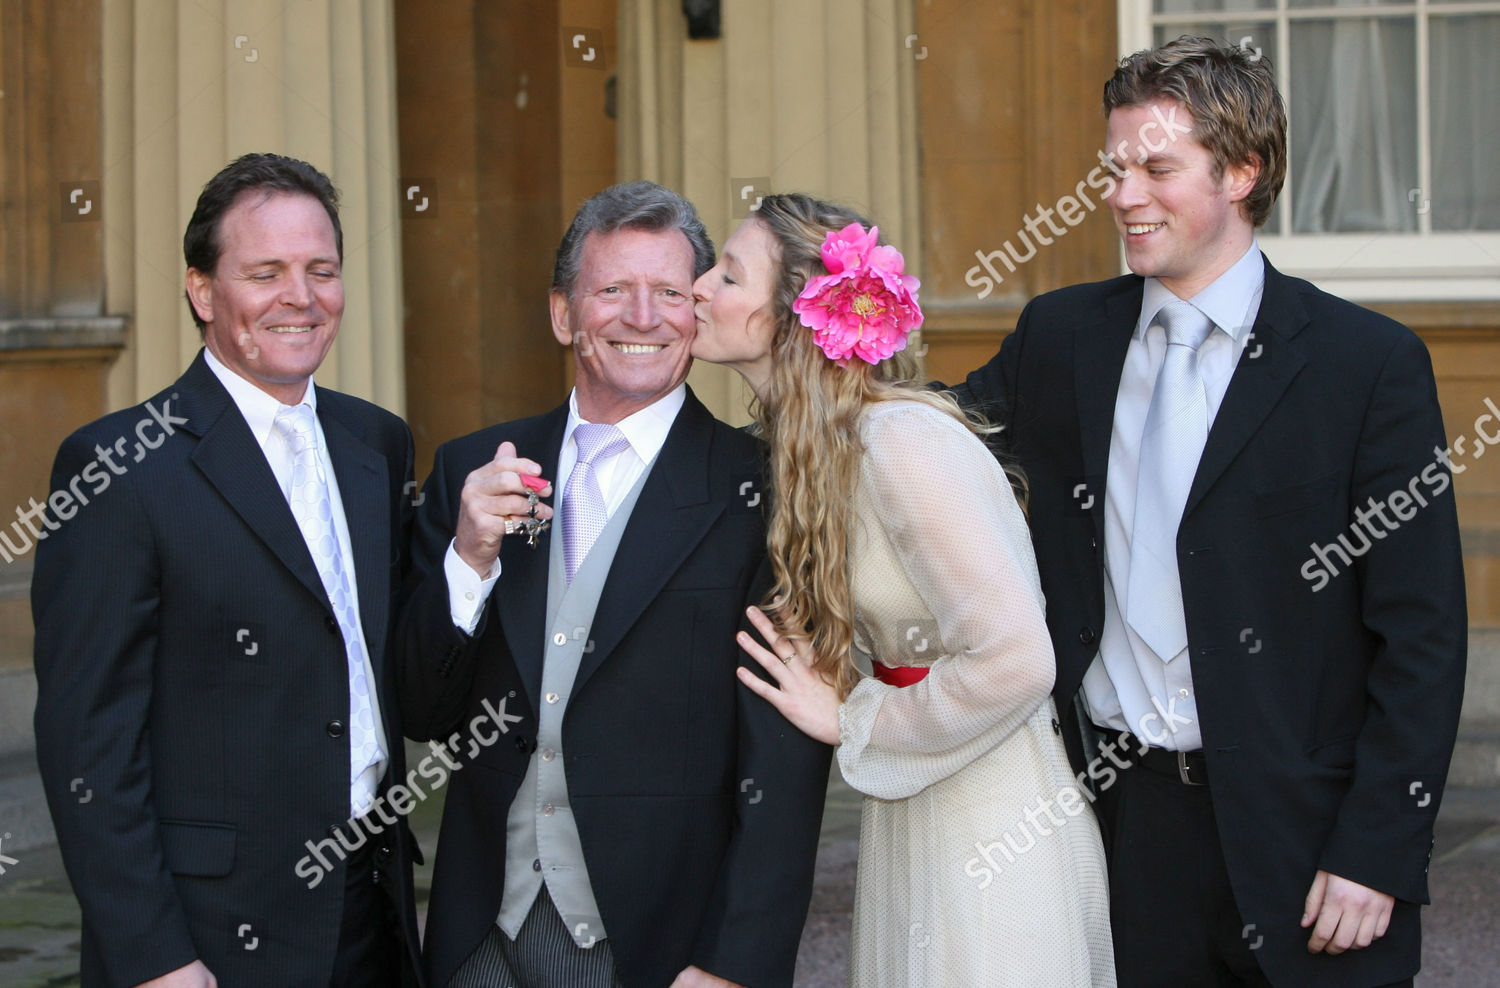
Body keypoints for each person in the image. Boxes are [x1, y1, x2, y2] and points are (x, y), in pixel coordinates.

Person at [954, 37, 1467, 987]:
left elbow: (1423, 638)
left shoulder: (1369, 366)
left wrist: (1377, 849)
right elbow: (933, 444)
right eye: (1115, 168)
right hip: (1116, 828)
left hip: (1310, 845)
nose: (1121, 194)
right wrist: (817, 339)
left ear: (1242, 171)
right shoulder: (1060, 338)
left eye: (1156, 168)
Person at [395, 180, 832, 988]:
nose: (643, 316)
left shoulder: (761, 489)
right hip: (477, 937)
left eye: (669, 291)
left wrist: (735, 962)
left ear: (698, 310)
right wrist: (469, 557)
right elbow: (421, 709)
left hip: (657, 946)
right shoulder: (474, 468)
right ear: (564, 314)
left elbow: (783, 757)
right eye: (613, 291)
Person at [690, 192, 1114, 986]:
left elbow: (1019, 661)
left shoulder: (901, 442)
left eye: (727, 276)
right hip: (914, 804)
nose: (698, 288)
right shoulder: (815, 450)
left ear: (792, 317)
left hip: (994, 828)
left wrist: (853, 715)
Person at [32, 153, 423, 987]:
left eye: (322, 270)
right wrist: (153, 956)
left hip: (370, 911)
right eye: (265, 272)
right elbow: (87, 747)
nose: (301, 296)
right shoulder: (118, 469)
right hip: (208, 932)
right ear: (204, 292)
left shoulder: (376, 444)